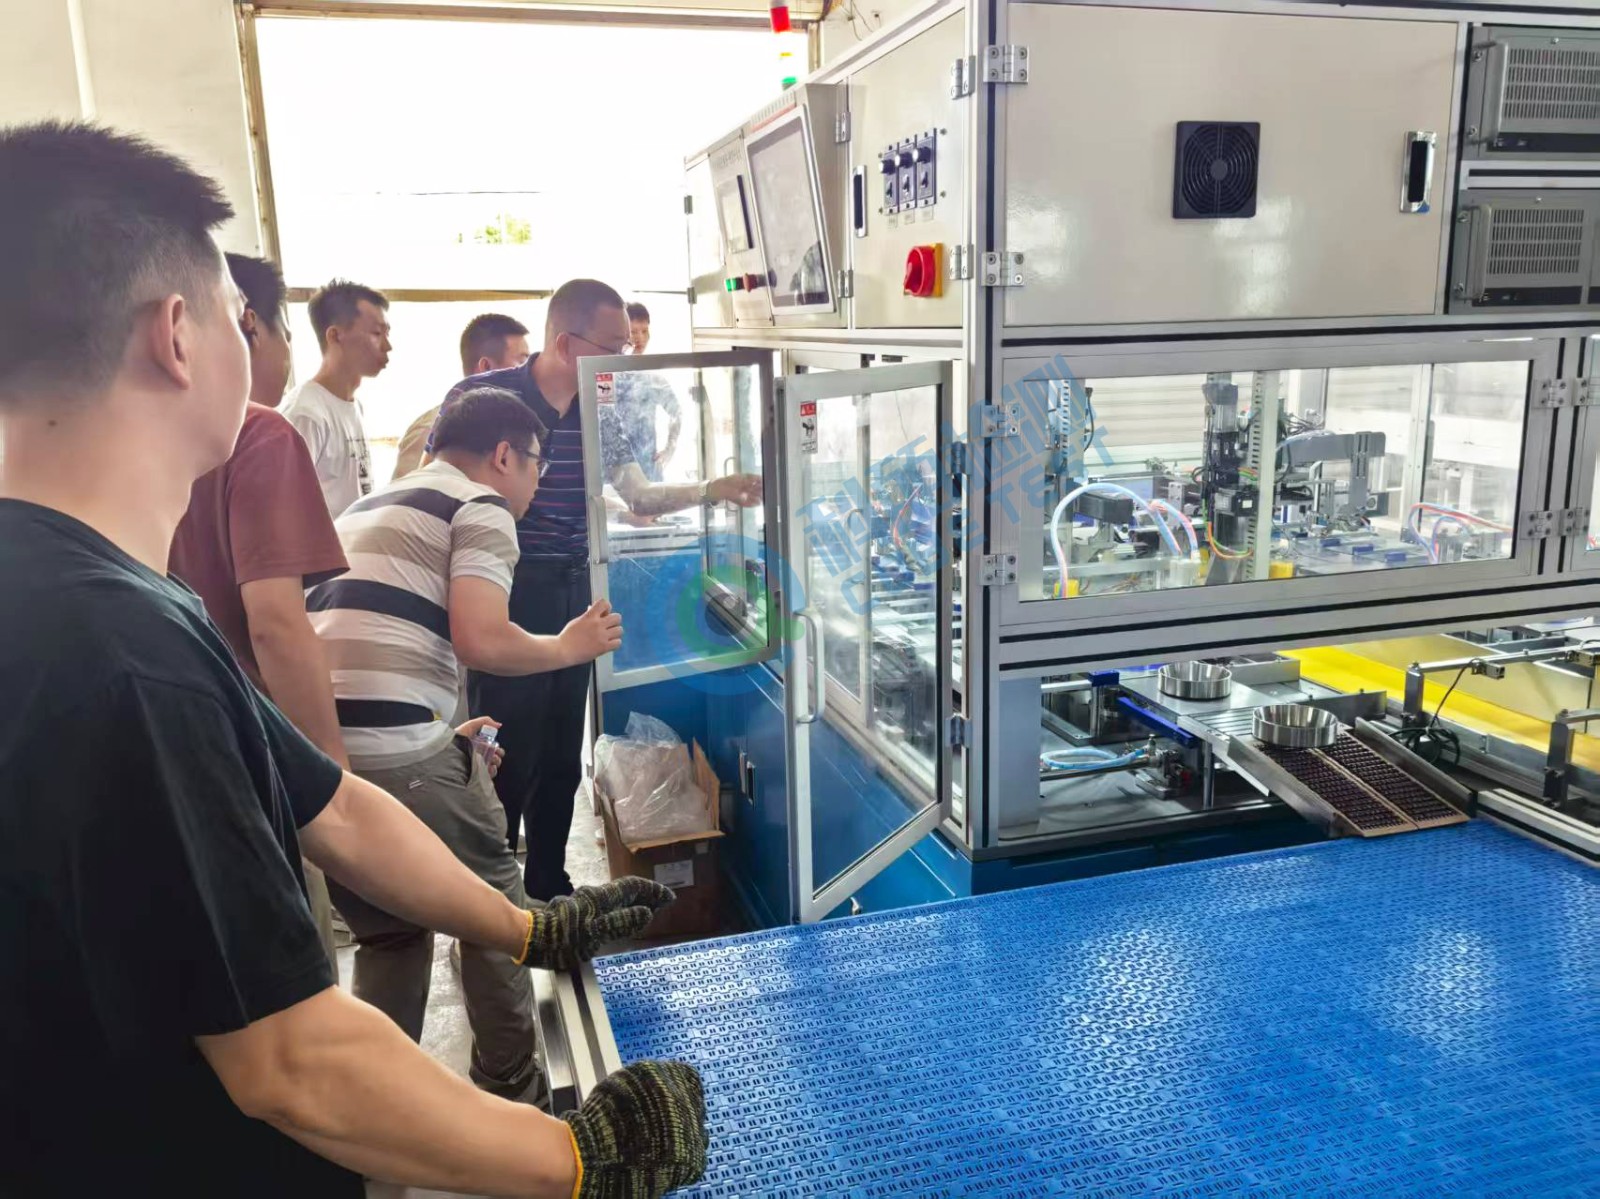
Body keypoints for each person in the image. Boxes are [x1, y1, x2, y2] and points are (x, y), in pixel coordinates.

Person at [0, 120, 705, 1198]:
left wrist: (526, 924)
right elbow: (291, 1059)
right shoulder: (118, 656)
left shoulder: (111, 596)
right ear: (176, 337)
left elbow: (334, 807)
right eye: (243, 319)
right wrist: (575, 1157)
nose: (256, 351)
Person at [310, 386, 623, 1102]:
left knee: (391, 931)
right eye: (538, 463)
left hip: (325, 757)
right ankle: (512, 1086)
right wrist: (569, 645)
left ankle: (377, 1097)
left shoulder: (367, 508)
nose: (538, 482)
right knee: (494, 910)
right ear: (504, 455)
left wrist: (435, 734)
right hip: (395, 750)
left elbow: (356, 651)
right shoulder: (480, 505)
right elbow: (480, 639)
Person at [425, 278, 762, 900]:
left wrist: (711, 489)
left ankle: (549, 884)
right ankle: (493, 897)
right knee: (504, 750)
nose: (624, 359)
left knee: (560, 752)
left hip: (573, 587)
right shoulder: (483, 398)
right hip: (500, 585)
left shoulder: (601, 407)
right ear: (565, 343)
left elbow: (638, 495)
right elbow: (436, 487)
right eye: (614, 346)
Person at [169, 251, 349, 968]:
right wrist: (333, 780)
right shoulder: (259, 433)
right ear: (248, 325)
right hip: (257, 757)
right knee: (301, 978)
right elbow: (276, 623)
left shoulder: (128, 446)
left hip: (174, 759)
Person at [282, 277, 389, 515]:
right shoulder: (305, 414)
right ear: (334, 336)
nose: (387, 346)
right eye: (376, 333)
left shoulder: (354, 406)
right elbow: (286, 507)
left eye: (387, 333)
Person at [392, 312, 530, 481]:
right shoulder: (427, 430)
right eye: (521, 363)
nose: (528, 373)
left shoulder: (515, 429)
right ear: (487, 367)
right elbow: (407, 493)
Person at [614, 301, 680, 482]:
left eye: (644, 331)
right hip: (615, 471)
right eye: (633, 332)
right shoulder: (609, 373)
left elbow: (677, 412)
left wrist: (670, 448)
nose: (640, 338)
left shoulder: (652, 377)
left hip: (647, 469)